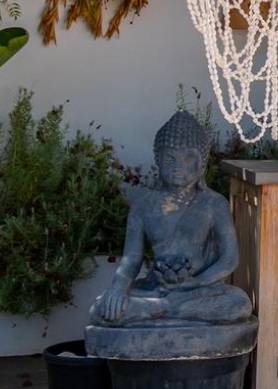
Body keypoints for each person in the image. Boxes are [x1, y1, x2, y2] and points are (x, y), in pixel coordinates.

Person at [90, 111, 251, 327]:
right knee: (101, 309)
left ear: (201, 163)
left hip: (199, 290)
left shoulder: (214, 204)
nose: (178, 166)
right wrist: (118, 288)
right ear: (158, 160)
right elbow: (131, 260)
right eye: (170, 158)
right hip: (157, 288)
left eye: (188, 158)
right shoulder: (143, 205)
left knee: (239, 303)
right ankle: (166, 308)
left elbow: (229, 259)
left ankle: (159, 310)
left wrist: (196, 282)